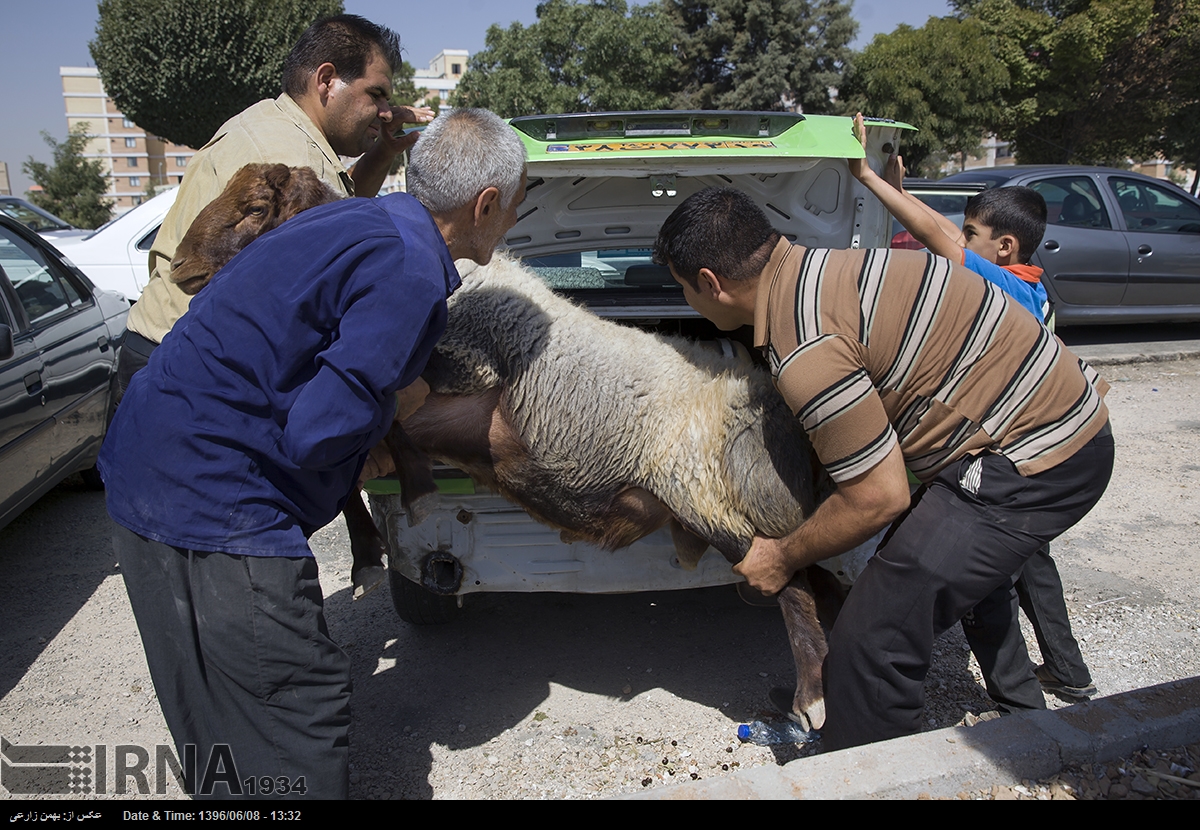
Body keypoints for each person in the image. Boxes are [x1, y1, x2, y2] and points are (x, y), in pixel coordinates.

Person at [98, 108, 528, 798]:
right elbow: (318, 432)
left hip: (143, 469)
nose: (516, 218)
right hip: (221, 505)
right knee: (291, 715)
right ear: (485, 204)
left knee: (216, 718)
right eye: (519, 200)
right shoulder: (412, 271)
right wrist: (404, 401)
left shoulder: (353, 220)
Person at [652, 186, 1114, 751]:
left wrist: (781, 555)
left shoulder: (808, 343)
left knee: (872, 643)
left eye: (681, 286)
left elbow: (878, 496)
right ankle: (1015, 718)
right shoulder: (834, 268)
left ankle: (866, 770)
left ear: (710, 281)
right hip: (1051, 421)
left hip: (1036, 459)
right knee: (911, 584)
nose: (686, 299)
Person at [848, 117, 1097, 710]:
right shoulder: (1033, 287)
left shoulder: (1000, 286)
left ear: (1004, 247)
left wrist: (865, 178)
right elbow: (943, 237)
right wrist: (899, 190)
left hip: (1000, 461)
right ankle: (1069, 672)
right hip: (1034, 456)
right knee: (1032, 562)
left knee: (988, 584)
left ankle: (1019, 705)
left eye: (974, 232)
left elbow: (940, 242)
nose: (963, 238)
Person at [117, 13, 435, 397]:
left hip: (171, 355)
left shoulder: (281, 129)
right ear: (327, 80)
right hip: (181, 371)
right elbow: (310, 293)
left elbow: (340, 213)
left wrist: (384, 148)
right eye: (376, 95)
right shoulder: (285, 154)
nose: (387, 112)